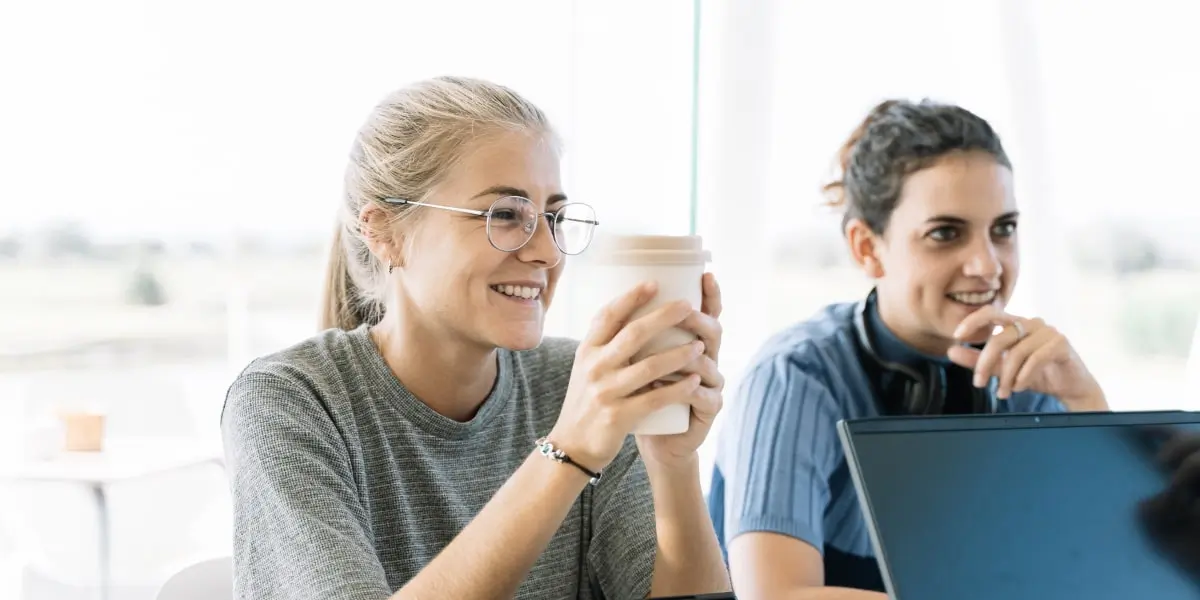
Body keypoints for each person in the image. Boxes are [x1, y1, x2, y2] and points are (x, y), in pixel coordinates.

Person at [221, 76, 732, 600]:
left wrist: (673, 464)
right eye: (505, 215)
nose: (548, 254)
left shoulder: (579, 387)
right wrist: (569, 451)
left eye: (553, 219)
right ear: (385, 232)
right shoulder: (289, 402)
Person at [707, 99, 1111, 598]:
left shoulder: (1028, 376)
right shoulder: (797, 376)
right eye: (945, 234)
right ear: (866, 248)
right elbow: (777, 594)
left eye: (1003, 229)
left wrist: (1086, 407)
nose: (987, 265)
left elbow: (1101, 574)